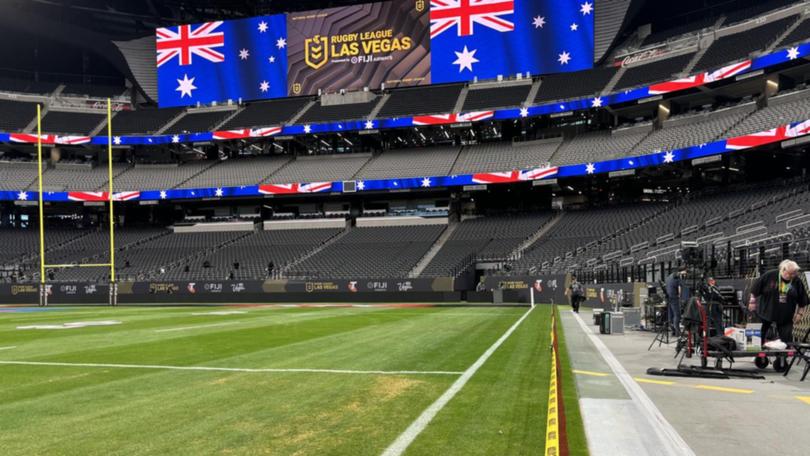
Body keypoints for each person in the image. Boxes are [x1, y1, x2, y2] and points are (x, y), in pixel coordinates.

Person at [749, 259, 808, 343]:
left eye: (794, 273)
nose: (792, 276)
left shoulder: (796, 280)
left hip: (785, 316)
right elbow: (755, 288)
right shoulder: (770, 275)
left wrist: (799, 314)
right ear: (783, 269)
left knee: (787, 341)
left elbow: (802, 300)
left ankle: (782, 355)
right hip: (765, 312)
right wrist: (752, 301)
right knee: (756, 339)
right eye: (790, 273)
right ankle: (759, 355)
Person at [665, 266, 688, 336]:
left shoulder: (670, 276)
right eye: (685, 272)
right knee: (677, 315)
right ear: (682, 271)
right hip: (674, 297)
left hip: (668, 297)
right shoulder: (678, 276)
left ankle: (673, 331)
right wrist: (681, 298)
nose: (686, 274)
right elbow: (680, 288)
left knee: (671, 314)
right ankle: (678, 332)